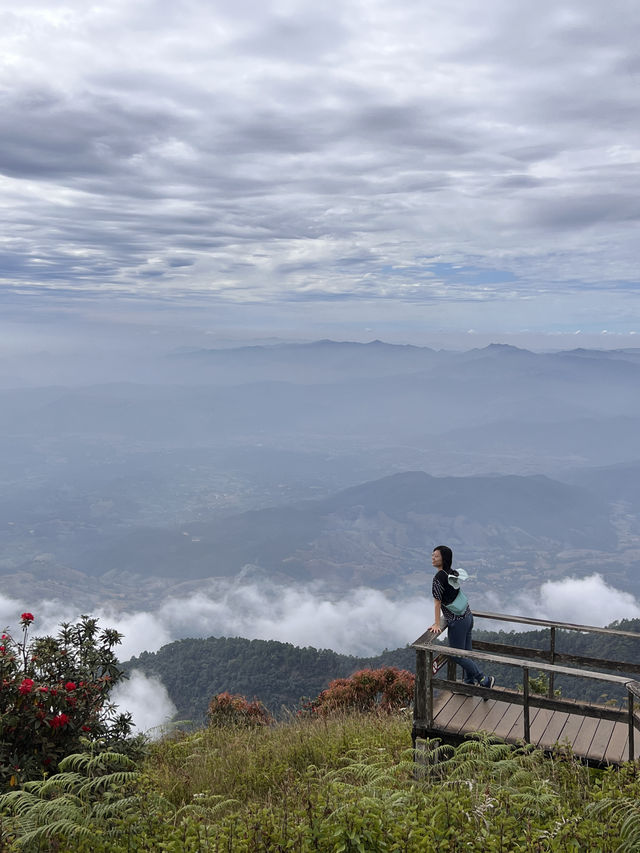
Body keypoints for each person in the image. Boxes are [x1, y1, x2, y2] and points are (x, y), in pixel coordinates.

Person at [428, 544, 494, 689]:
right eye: (432, 555)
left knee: (456, 655)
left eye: (436, 556)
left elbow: (437, 603)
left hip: (457, 621)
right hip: (468, 616)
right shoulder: (452, 572)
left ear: (444, 559)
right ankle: (469, 684)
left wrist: (436, 624)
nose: (432, 557)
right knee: (466, 653)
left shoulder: (439, 578)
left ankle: (484, 679)